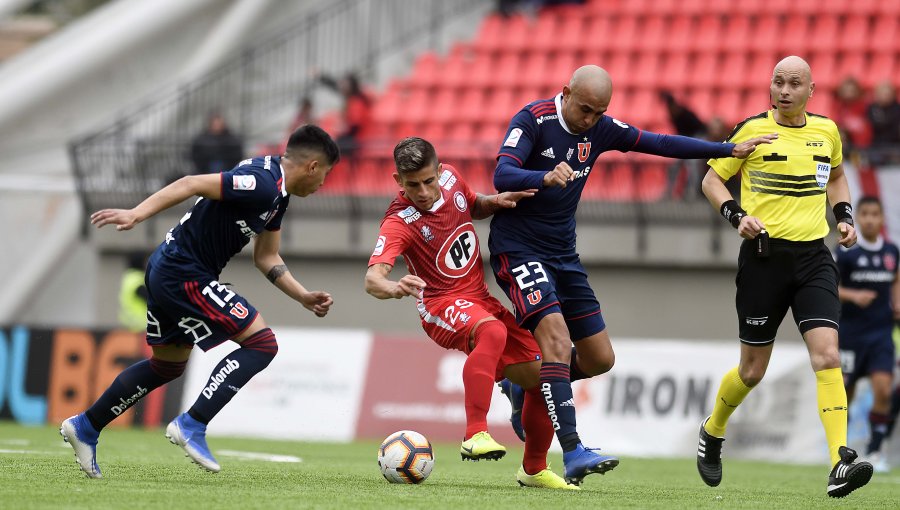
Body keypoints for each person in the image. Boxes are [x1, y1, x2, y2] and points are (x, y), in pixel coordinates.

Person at [490, 64, 775, 482]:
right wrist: (544, 176)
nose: (590, 120)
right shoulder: (533, 119)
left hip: (563, 254)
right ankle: (572, 453)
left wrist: (724, 150)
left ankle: (523, 381)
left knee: (600, 358)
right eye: (585, 109)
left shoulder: (600, 128)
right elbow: (502, 173)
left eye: (599, 112)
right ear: (566, 92)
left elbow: (657, 142)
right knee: (555, 336)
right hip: (518, 250)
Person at [60, 125, 340, 479]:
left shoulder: (278, 195)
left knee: (167, 366)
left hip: (169, 268)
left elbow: (266, 256)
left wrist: (302, 296)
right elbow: (190, 182)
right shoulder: (262, 182)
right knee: (262, 343)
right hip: (184, 272)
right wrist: (137, 213)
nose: (322, 186)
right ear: (313, 166)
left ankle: (86, 426)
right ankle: (192, 423)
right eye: (325, 175)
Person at [695, 56, 872, 498]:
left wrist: (844, 217)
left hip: (814, 258)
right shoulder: (751, 131)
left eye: (795, 83)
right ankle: (713, 430)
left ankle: (838, 463)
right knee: (752, 371)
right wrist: (737, 215)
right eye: (778, 82)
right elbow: (711, 181)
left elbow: (837, 177)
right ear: (769, 88)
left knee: (828, 355)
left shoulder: (827, 132)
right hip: (763, 260)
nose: (785, 90)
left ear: (811, 91)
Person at [364, 137, 578, 489]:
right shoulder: (399, 221)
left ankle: (534, 470)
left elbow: (471, 204)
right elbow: (373, 278)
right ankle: (475, 433)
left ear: (438, 170)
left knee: (546, 376)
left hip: (479, 298)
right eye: (412, 184)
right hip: (440, 304)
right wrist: (394, 287)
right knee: (492, 332)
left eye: (428, 180)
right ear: (397, 181)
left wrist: (495, 202)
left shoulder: (451, 178)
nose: (423, 190)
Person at [837, 196, 900, 472]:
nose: (871, 219)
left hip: (880, 333)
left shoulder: (891, 251)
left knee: (884, 391)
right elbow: (828, 286)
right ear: (858, 218)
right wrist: (853, 295)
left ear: (882, 218)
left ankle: (875, 450)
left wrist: (896, 302)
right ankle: (841, 451)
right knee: (843, 396)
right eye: (865, 214)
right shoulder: (846, 252)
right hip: (850, 334)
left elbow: (896, 278)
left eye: (876, 214)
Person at [660, 91, 708, 200]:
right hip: (686, 141)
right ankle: (668, 193)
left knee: (692, 165)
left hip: (698, 138)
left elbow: (699, 130)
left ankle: (692, 193)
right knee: (674, 166)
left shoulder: (684, 113)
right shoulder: (673, 115)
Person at [318, 72, 372, 159]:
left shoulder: (357, 102)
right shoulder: (350, 100)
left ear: (351, 86)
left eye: (345, 85)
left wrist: (342, 131)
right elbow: (334, 85)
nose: (342, 87)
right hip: (350, 138)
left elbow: (355, 127)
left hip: (356, 140)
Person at [866, 81, 900, 164]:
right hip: (876, 145)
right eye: (882, 93)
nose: (885, 96)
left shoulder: (897, 109)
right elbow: (874, 125)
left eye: (887, 94)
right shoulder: (872, 108)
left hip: (894, 145)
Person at [119, 251, 149, 334]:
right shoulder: (137, 278)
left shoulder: (128, 277)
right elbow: (148, 298)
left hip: (129, 324)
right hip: (140, 326)